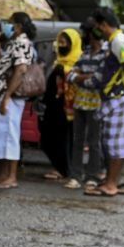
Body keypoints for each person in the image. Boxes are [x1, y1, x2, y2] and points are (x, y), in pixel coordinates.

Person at [82, 7, 124, 197]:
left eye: (97, 26)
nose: (96, 30)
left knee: (116, 143)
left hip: (119, 98)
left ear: (104, 25)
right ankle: (109, 181)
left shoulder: (119, 42)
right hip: (114, 98)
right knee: (111, 141)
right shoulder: (115, 41)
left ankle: (111, 184)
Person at [0, 12, 37, 189]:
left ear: (18, 26)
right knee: (0, 136)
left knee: (10, 136)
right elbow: (8, 67)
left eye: (10, 23)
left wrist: (7, 96)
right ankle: (2, 174)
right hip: (0, 95)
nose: (7, 26)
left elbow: (20, 70)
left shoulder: (22, 43)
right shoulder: (14, 43)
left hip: (9, 97)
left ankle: (11, 177)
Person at [65, 19, 107, 189]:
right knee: (78, 140)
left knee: (94, 141)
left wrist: (80, 78)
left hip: (97, 103)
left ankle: (93, 176)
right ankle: (76, 175)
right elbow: (70, 75)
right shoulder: (85, 53)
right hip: (80, 102)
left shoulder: (106, 54)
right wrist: (84, 78)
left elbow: (98, 80)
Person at [39, 28, 81, 181]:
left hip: (65, 109)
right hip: (52, 108)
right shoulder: (57, 62)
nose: (60, 46)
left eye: (64, 43)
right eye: (59, 42)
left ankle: (64, 169)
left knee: (62, 139)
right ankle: (60, 167)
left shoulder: (76, 63)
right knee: (49, 138)